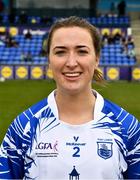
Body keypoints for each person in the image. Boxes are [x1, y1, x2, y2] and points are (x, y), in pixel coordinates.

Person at [0, 16, 140, 179]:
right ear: (49, 60)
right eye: (60, 52)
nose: (71, 62)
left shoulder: (128, 128)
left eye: (82, 51)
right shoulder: (23, 128)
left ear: (96, 58)